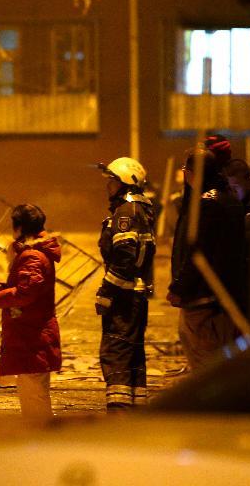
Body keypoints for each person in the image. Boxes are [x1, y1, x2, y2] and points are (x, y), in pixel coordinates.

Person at [168, 148, 247, 370]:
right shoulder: (230, 200)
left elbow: (197, 253)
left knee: (204, 362)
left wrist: (179, 288)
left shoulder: (206, 205)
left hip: (203, 301)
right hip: (227, 299)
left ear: (193, 173)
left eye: (186, 171)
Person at [95, 157, 156, 409]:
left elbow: (124, 257)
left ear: (126, 183)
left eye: (112, 181)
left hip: (123, 297)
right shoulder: (141, 209)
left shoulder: (126, 213)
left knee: (116, 353)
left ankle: (119, 415)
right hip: (135, 296)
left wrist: (106, 292)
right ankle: (135, 413)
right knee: (133, 356)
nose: (108, 186)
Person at [0, 204, 61, 422]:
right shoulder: (34, 253)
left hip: (33, 337)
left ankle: (41, 444)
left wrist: (0, 297)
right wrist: (5, 287)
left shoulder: (32, 256)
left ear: (20, 227)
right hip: (31, 335)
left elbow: (26, 292)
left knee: (34, 397)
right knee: (32, 393)